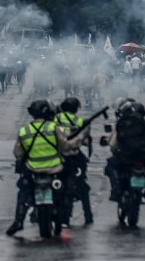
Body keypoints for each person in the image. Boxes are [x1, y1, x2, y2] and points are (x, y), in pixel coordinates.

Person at [6, 99, 82, 236]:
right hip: (55, 170)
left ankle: (18, 221)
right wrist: (76, 142)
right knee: (67, 189)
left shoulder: (24, 130)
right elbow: (65, 147)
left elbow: (17, 153)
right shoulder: (53, 128)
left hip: (33, 171)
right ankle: (64, 215)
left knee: (23, 193)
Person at [105, 101, 145, 214]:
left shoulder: (122, 124)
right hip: (144, 159)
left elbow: (113, 145)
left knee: (110, 165)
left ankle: (116, 190)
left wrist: (117, 151)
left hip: (126, 160)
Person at [55, 97, 93, 226]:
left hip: (56, 155)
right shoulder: (80, 121)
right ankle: (88, 215)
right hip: (73, 156)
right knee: (82, 185)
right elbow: (85, 140)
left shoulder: (54, 120)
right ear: (76, 109)